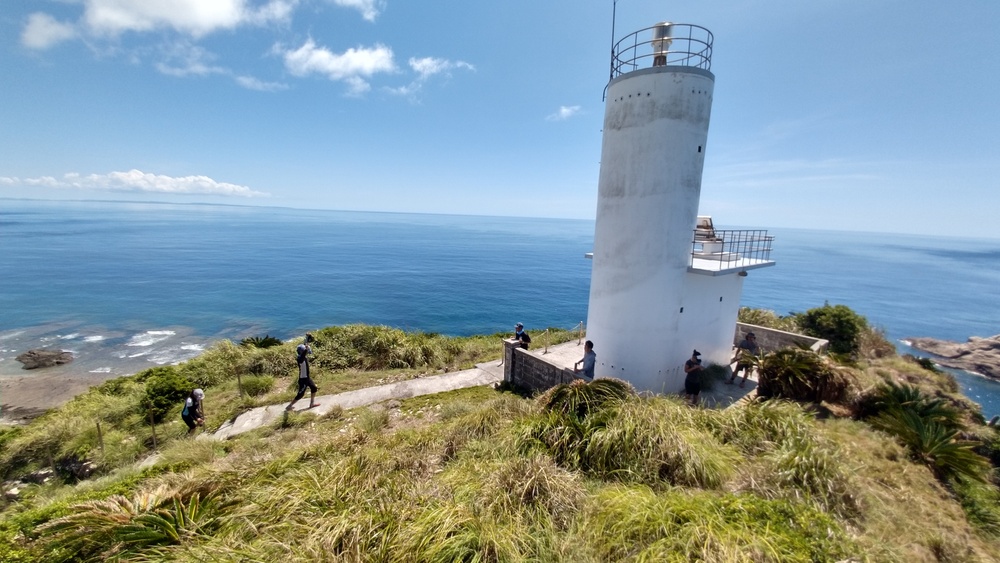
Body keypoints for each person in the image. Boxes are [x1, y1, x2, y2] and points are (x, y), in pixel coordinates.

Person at [286, 334, 319, 411]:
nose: (307, 353)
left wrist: (307, 338)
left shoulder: (302, 356)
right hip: (303, 380)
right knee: (300, 394)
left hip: (307, 378)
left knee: (314, 388)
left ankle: (312, 404)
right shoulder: (300, 359)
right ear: (301, 352)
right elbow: (304, 352)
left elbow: (305, 346)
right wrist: (306, 348)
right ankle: (289, 406)